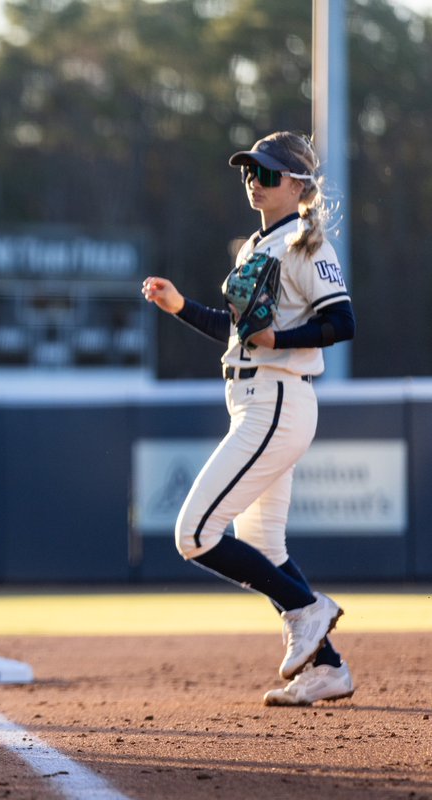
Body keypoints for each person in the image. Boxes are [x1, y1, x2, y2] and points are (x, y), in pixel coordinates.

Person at [142, 131, 356, 706]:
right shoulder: (256, 246)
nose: (252, 181)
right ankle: (327, 669)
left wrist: (280, 337)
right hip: (254, 398)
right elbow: (240, 333)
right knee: (262, 542)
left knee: (194, 533)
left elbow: (343, 322)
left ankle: (307, 609)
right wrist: (181, 306)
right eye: (247, 172)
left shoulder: (309, 245)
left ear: (297, 184)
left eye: (264, 173)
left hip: (280, 400)